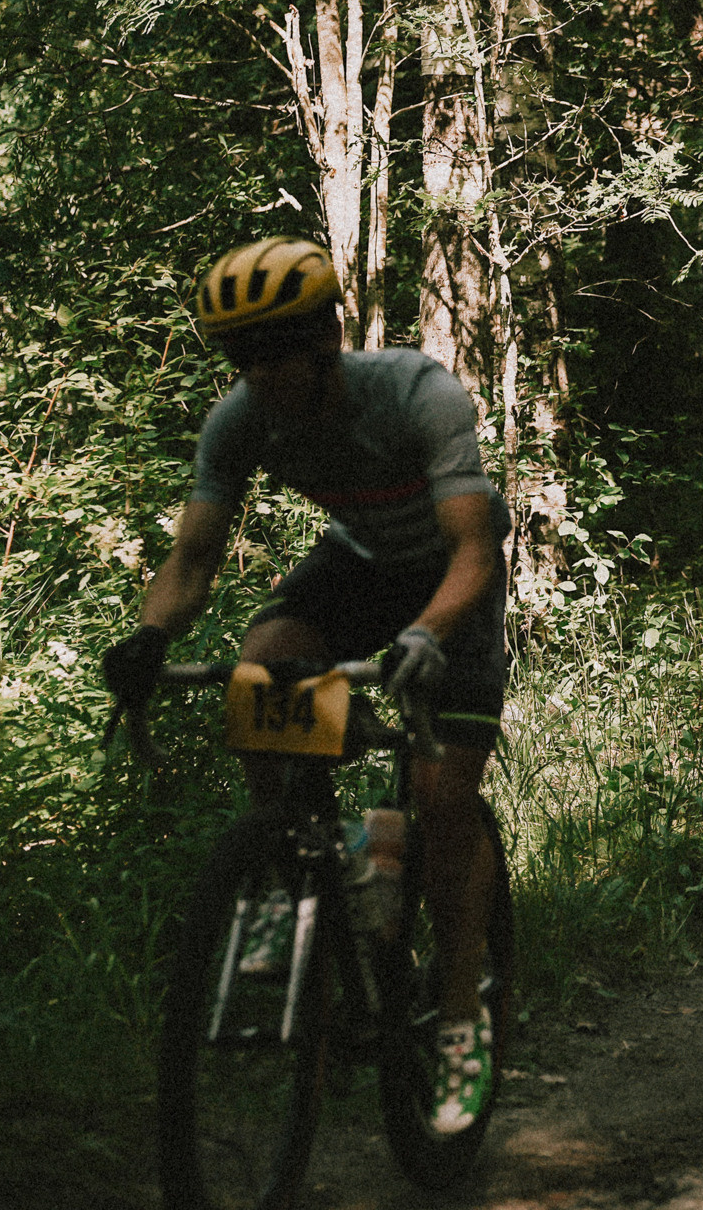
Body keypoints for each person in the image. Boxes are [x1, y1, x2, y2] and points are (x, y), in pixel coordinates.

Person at [100, 236, 508, 1137]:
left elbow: (473, 550)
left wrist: (425, 634)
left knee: (444, 801)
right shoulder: (239, 421)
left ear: (327, 337)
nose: (259, 372)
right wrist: (148, 636)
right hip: (358, 565)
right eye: (241, 355)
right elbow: (192, 560)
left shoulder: (417, 394)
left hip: (452, 580)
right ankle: (296, 870)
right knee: (263, 667)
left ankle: (458, 1018)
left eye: (276, 349)